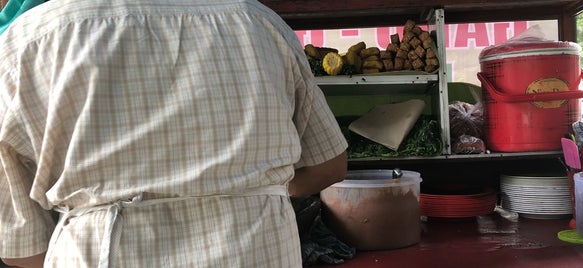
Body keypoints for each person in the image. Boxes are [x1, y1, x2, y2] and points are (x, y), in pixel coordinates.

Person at [0, 0, 348, 267]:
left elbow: (22, 246)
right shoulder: (258, 22)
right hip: (256, 250)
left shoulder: (29, 42)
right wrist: (254, 192)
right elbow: (329, 165)